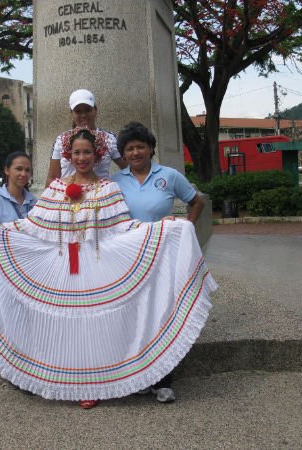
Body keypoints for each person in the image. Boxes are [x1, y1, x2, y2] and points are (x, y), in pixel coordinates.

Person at [0, 127, 217, 410]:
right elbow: (33, 226)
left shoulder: (108, 188)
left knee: (94, 324)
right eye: (77, 153)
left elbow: (122, 227)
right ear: (69, 156)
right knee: (65, 324)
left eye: (87, 152)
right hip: (63, 266)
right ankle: (68, 380)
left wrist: (160, 228)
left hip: (96, 265)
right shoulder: (56, 188)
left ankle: (95, 383)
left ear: (97, 155)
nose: (82, 158)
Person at [112, 121, 205, 403]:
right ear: (123, 153)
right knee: (134, 316)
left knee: (161, 315)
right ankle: (140, 378)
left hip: (162, 257)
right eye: (129, 148)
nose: (135, 152)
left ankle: (163, 380)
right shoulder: (116, 182)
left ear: (151, 148)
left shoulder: (169, 175)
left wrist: (184, 228)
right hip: (129, 259)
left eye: (140, 147)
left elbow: (196, 201)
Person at [45, 88, 127, 186]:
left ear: (95, 110)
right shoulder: (60, 140)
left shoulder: (110, 139)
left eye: (88, 110)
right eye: (78, 111)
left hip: (100, 193)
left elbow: (128, 169)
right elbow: (52, 177)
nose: (83, 115)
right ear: (72, 114)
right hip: (68, 193)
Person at [0, 152, 36, 225]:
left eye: (27, 170)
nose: (23, 174)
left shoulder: (33, 201)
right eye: (19, 169)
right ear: (6, 170)